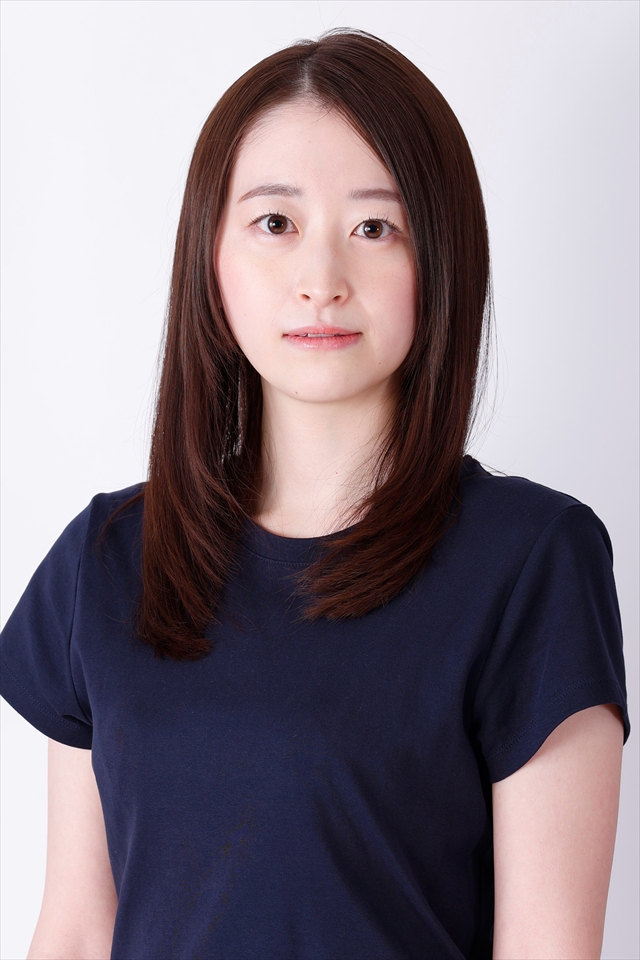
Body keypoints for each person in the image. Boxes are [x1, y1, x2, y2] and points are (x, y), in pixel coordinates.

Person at [0, 29, 629, 960]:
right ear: (211, 257)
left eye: (374, 228)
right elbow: (78, 931)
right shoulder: (106, 560)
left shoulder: (532, 560)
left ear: (441, 259)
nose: (321, 282)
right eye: (275, 224)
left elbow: (549, 945)